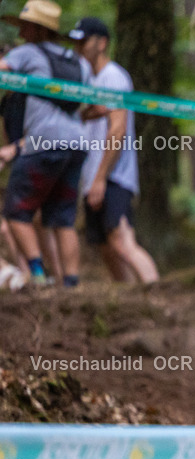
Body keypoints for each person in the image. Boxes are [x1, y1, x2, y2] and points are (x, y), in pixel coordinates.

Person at [0, 0, 88, 288]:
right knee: (62, 219)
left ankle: (38, 277)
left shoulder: (26, 53)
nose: (21, 31)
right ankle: (70, 285)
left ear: (37, 29)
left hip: (43, 141)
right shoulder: (78, 61)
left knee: (16, 212)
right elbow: (87, 104)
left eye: (25, 25)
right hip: (77, 143)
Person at [71, 17, 157, 283]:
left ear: (102, 43)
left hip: (114, 175)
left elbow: (117, 130)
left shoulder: (114, 77)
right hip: (94, 175)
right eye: (76, 42)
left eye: (84, 41)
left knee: (122, 241)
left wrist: (100, 178)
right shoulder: (89, 79)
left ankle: (156, 293)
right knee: (105, 246)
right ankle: (130, 298)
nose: (79, 47)